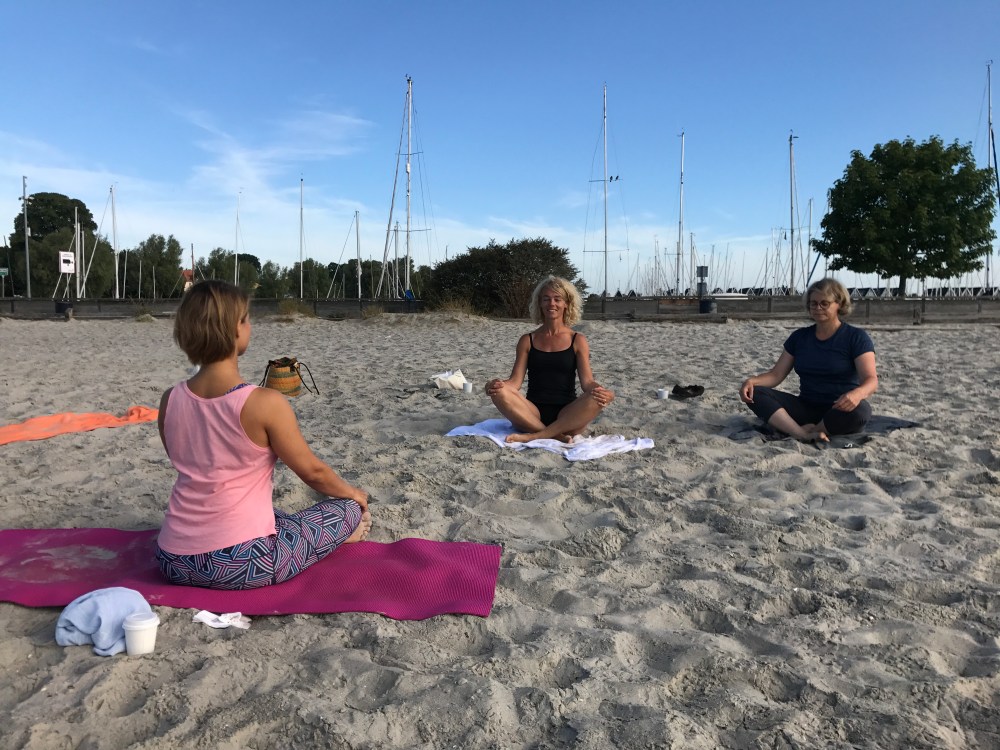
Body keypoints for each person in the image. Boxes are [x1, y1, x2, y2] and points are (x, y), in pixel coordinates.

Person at [155, 280, 371, 590]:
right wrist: (353, 494)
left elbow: (188, 464)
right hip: (242, 563)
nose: (249, 325)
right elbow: (313, 472)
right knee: (346, 509)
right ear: (234, 329)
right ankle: (337, 538)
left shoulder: (169, 399)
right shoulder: (264, 403)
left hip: (172, 560)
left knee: (276, 513)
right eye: (246, 318)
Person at [739, 277, 878, 442]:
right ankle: (802, 434)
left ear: (839, 304)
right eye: (813, 303)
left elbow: (871, 380)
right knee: (757, 392)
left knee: (861, 410)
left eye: (824, 303)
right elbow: (776, 375)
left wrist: (857, 394)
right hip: (805, 407)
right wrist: (752, 381)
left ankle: (814, 429)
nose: (818, 308)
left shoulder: (856, 337)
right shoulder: (800, 337)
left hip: (839, 408)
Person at [486, 275, 614, 443]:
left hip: (568, 414)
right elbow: (514, 383)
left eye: (557, 299)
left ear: (566, 303)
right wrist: (494, 385)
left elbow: (587, 383)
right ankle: (554, 435)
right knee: (499, 393)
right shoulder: (527, 340)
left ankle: (536, 436)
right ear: (540, 303)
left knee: (597, 398)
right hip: (531, 413)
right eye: (546, 299)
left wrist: (604, 392)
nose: (551, 304)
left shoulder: (578, 340)